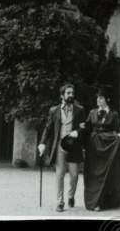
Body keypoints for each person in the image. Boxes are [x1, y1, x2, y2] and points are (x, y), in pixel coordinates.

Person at [38, 83, 87, 212]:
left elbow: (83, 127)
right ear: (62, 96)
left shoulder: (80, 110)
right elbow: (48, 128)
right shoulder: (54, 110)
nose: (71, 95)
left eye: (72, 92)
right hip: (59, 146)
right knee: (59, 174)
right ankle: (60, 202)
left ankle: (71, 195)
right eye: (68, 93)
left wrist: (78, 132)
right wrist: (42, 143)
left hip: (73, 146)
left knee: (74, 175)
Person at [83, 92, 120, 211]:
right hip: (94, 148)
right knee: (94, 174)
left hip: (108, 148)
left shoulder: (114, 114)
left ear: (107, 99)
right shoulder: (92, 113)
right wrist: (80, 129)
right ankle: (94, 202)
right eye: (97, 98)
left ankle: (106, 202)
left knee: (107, 174)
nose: (98, 100)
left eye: (101, 98)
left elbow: (118, 130)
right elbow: (87, 128)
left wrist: (119, 136)